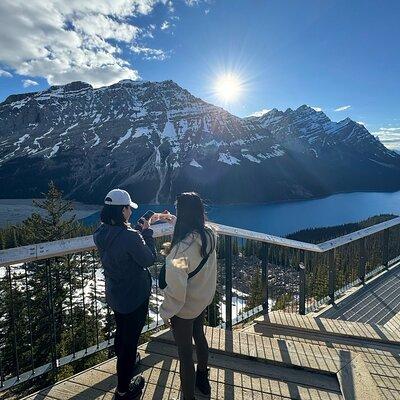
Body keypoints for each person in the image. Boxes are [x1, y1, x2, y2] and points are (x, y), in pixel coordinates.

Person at [93, 188, 157, 400]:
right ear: (122, 210)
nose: (130, 211)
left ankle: (126, 362)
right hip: (135, 295)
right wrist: (146, 233)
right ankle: (123, 390)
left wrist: (134, 231)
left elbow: (120, 243)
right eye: (128, 208)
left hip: (116, 294)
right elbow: (148, 259)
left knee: (122, 332)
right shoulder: (130, 236)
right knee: (130, 340)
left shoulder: (100, 233)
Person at [160, 192, 217, 400]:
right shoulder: (210, 235)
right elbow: (194, 258)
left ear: (181, 214)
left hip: (184, 309)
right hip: (202, 300)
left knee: (185, 355)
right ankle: (203, 379)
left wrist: (166, 313)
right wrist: (175, 221)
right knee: (200, 337)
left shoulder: (178, 253)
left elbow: (176, 290)